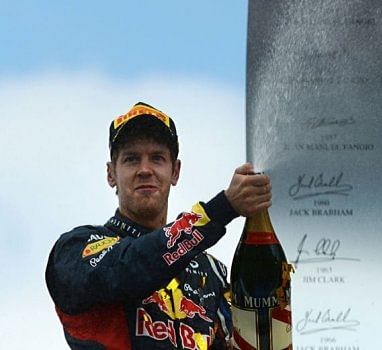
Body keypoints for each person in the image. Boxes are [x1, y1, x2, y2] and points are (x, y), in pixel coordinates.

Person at [45, 102, 272, 349]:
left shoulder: (210, 271)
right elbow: (132, 267)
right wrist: (223, 208)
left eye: (157, 158)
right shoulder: (74, 251)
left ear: (175, 171)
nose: (145, 170)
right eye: (131, 159)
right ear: (111, 174)